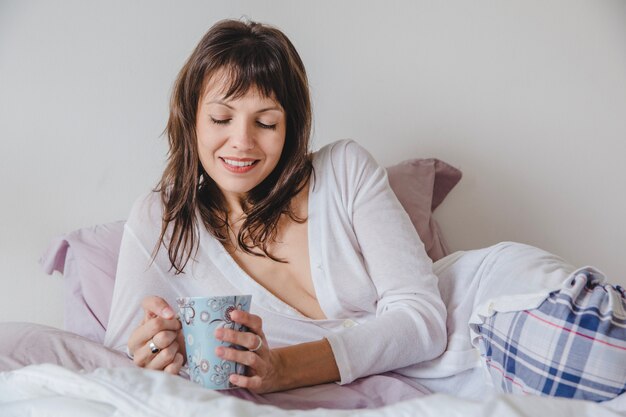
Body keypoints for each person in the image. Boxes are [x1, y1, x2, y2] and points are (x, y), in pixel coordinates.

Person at [104, 18, 626, 403]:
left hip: (488, 315)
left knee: (606, 364)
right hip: (456, 389)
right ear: (191, 117)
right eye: (221, 117)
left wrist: (281, 369)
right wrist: (155, 351)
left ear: (290, 130)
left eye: (265, 122)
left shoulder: (344, 171)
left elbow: (423, 321)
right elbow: (122, 351)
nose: (241, 142)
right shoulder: (163, 220)